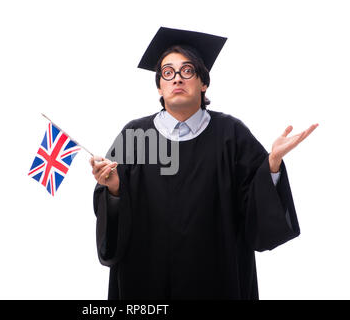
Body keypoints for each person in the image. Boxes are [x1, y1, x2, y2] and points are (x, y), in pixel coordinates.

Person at [89, 27, 318, 299]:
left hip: (215, 280)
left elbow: (256, 214)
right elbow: (112, 222)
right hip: (145, 279)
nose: (177, 79)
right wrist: (114, 189)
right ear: (159, 87)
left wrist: (272, 164)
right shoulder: (135, 137)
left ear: (203, 82)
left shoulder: (231, 135)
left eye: (187, 71)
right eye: (168, 73)